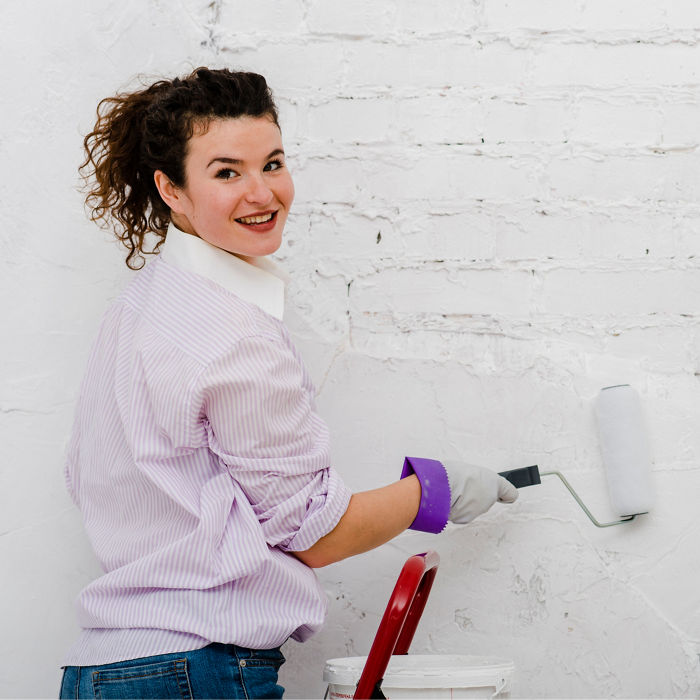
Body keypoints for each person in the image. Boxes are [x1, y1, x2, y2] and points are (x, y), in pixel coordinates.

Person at [59, 67, 518, 699]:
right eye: (226, 172)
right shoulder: (235, 331)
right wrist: (433, 490)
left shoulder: (142, 305)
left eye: (272, 163)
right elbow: (315, 534)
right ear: (171, 189)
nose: (262, 193)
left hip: (103, 673)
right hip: (196, 672)